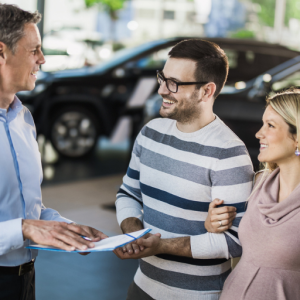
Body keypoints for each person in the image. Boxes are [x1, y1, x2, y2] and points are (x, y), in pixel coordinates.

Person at [114, 39, 254, 300]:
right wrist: (134, 234)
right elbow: (128, 194)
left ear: (206, 91)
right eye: (162, 78)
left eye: (174, 83)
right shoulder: (150, 134)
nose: (161, 90)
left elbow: (234, 241)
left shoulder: (229, 154)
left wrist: (159, 246)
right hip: (141, 286)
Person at [0, 4, 107, 300]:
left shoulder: (23, 119)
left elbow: (25, 207)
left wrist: (65, 228)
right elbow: (23, 223)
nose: (42, 59)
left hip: (25, 279)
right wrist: (23, 228)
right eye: (34, 50)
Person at [210, 87, 300, 300]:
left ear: (297, 138)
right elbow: (237, 248)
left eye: (270, 126)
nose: (259, 133)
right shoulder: (258, 183)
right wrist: (213, 224)